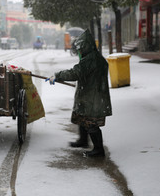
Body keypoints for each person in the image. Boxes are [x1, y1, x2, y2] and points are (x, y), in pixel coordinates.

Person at [47, 29, 112, 157]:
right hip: (91, 93)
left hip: (93, 95)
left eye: (80, 49)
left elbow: (75, 73)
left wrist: (57, 75)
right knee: (82, 117)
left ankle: (99, 150)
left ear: (86, 47)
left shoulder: (90, 60)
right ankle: (83, 141)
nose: (79, 52)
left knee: (91, 122)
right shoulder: (96, 58)